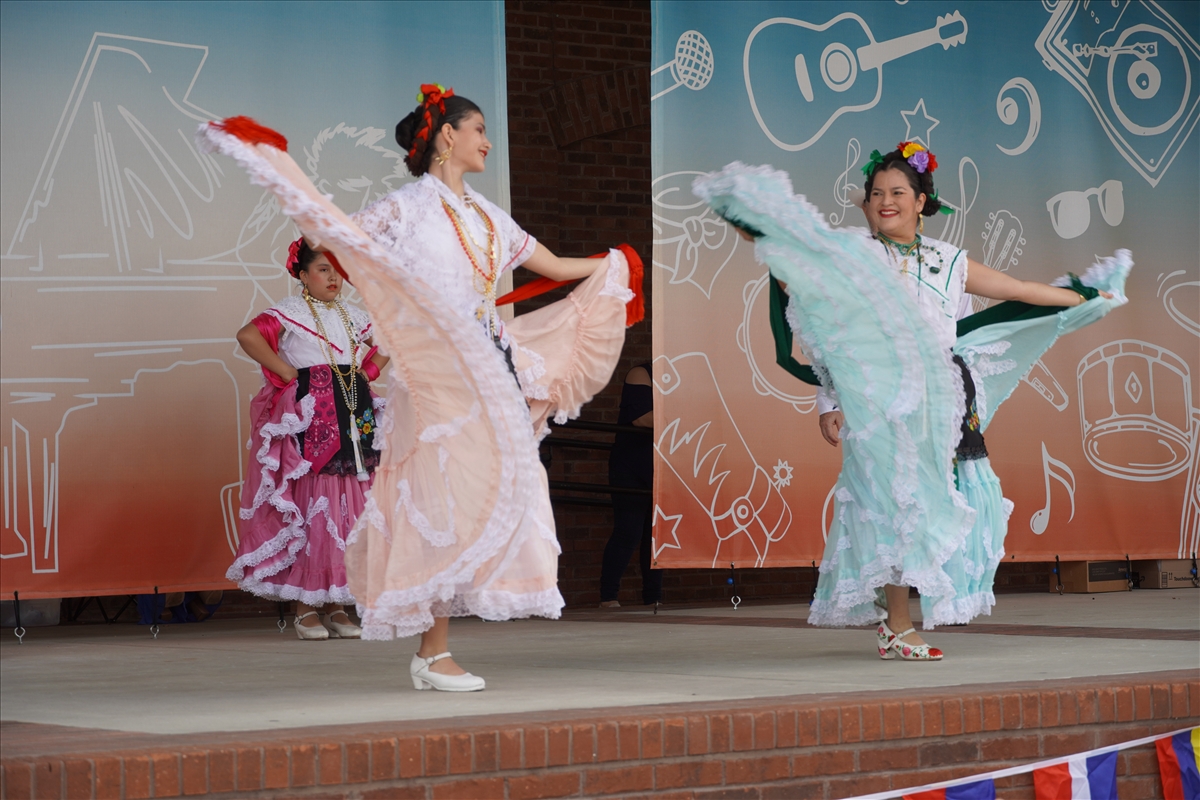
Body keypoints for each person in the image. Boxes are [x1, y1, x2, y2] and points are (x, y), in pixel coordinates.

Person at [198, 85, 640, 691]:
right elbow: (338, 237)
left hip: (488, 366)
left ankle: (434, 653)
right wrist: (281, 171)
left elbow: (558, 267)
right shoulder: (407, 208)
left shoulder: (490, 217)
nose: (487, 141)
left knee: (492, 492)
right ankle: (432, 654)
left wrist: (619, 263)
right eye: (478, 128)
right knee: (437, 500)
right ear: (446, 135)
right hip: (435, 374)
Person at [693, 146, 1128, 661]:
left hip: (939, 402)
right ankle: (897, 624)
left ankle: (898, 609)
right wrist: (828, 400)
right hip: (878, 404)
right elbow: (821, 310)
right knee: (894, 506)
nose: (886, 201)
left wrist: (1084, 298)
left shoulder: (949, 260)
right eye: (877, 193)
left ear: (921, 202)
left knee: (931, 505)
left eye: (898, 192)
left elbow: (1016, 289)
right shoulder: (856, 255)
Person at [229, 240, 389, 640]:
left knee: (350, 504)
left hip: (352, 410)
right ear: (302, 275)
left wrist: (367, 372)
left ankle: (337, 603)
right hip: (316, 415)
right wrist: (289, 374)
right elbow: (248, 336)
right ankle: (306, 607)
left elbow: (391, 342)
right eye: (323, 269)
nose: (333, 278)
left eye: (337, 270)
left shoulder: (353, 315)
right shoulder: (291, 312)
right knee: (319, 501)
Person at [599, 363, 660, 608]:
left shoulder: (684, 374)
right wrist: (685, 411)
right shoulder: (641, 372)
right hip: (631, 465)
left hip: (661, 466)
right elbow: (642, 419)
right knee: (628, 530)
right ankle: (608, 596)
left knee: (656, 536)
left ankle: (654, 597)